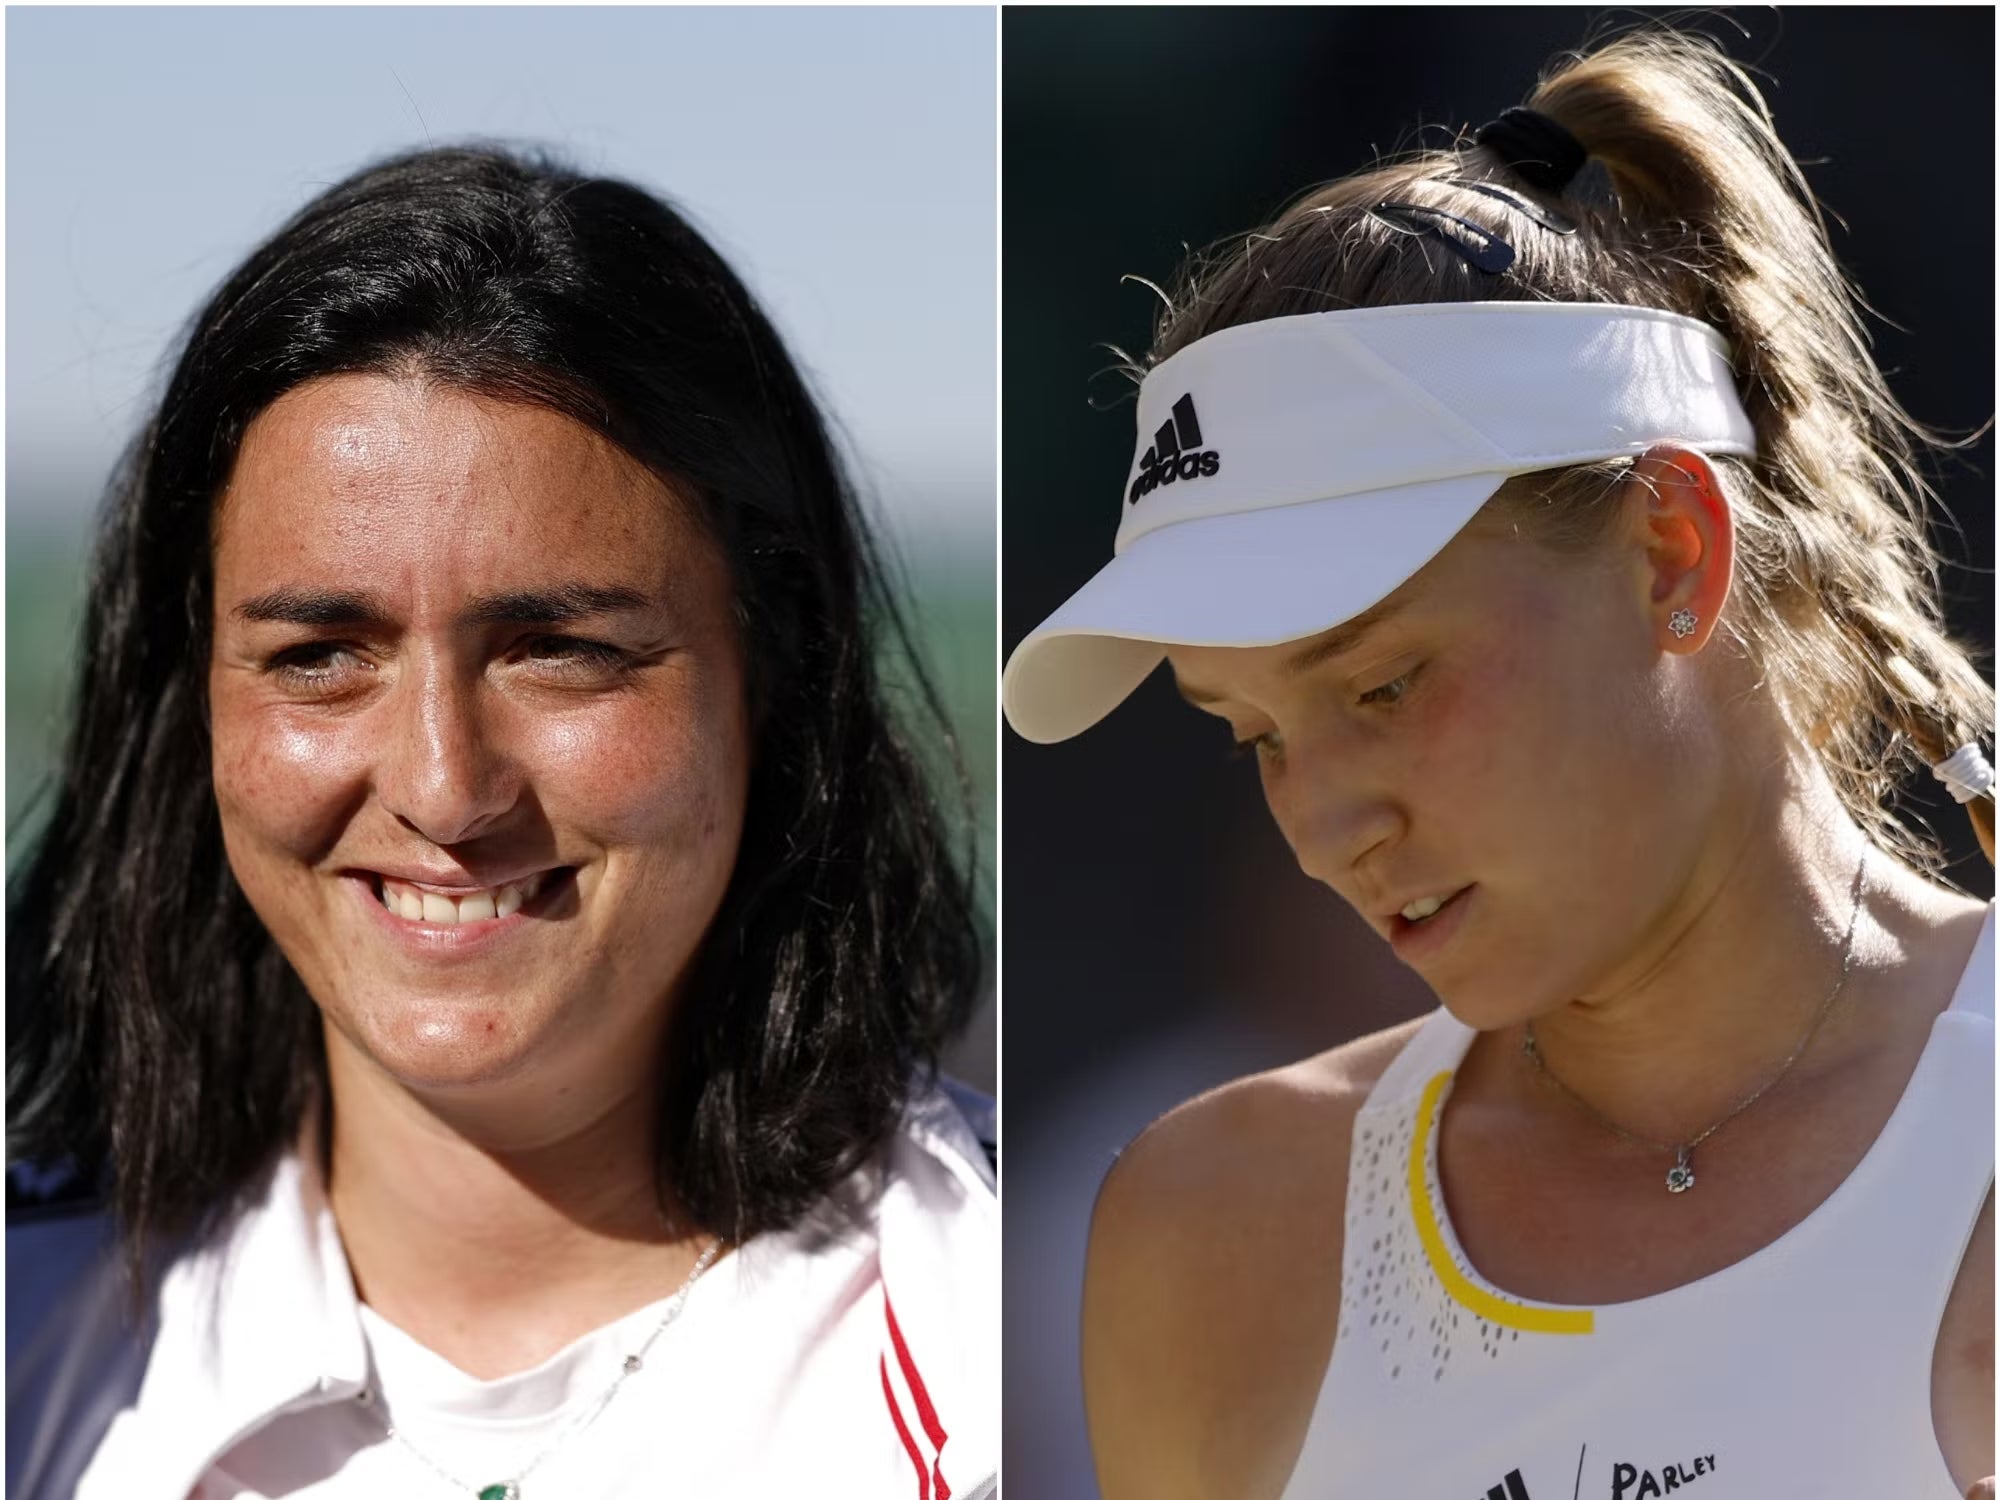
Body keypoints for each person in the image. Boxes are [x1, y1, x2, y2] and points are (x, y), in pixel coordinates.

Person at [1002, 28, 1992, 1500]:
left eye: (1384, 685)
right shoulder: (1212, 1228)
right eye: (1255, 733)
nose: (1320, 828)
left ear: (1673, 551)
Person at [8, 145, 996, 1500]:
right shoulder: (29, 1343)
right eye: (319, 654)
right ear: (193, 699)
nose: (442, 785)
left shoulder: (1028, 1317)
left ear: (773, 676)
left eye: (559, 650)